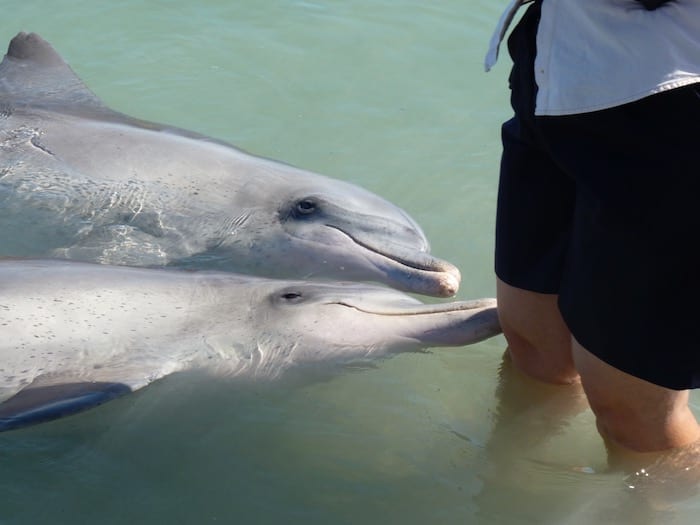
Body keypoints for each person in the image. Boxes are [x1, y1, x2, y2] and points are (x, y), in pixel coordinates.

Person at [485, 0, 700, 453]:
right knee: (536, 351)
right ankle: (511, 492)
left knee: (632, 413)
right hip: (555, 67)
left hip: (671, 98)